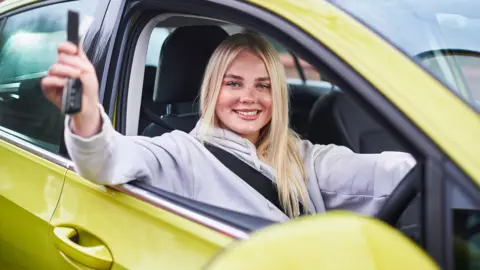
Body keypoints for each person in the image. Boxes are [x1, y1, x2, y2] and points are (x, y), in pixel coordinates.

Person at [41, 33, 415, 221]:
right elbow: (107, 159)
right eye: (233, 83)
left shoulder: (299, 156)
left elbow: (380, 173)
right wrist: (85, 112)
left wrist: (449, 160)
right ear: (211, 89)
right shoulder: (181, 152)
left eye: (263, 85)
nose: (249, 98)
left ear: (278, 95)